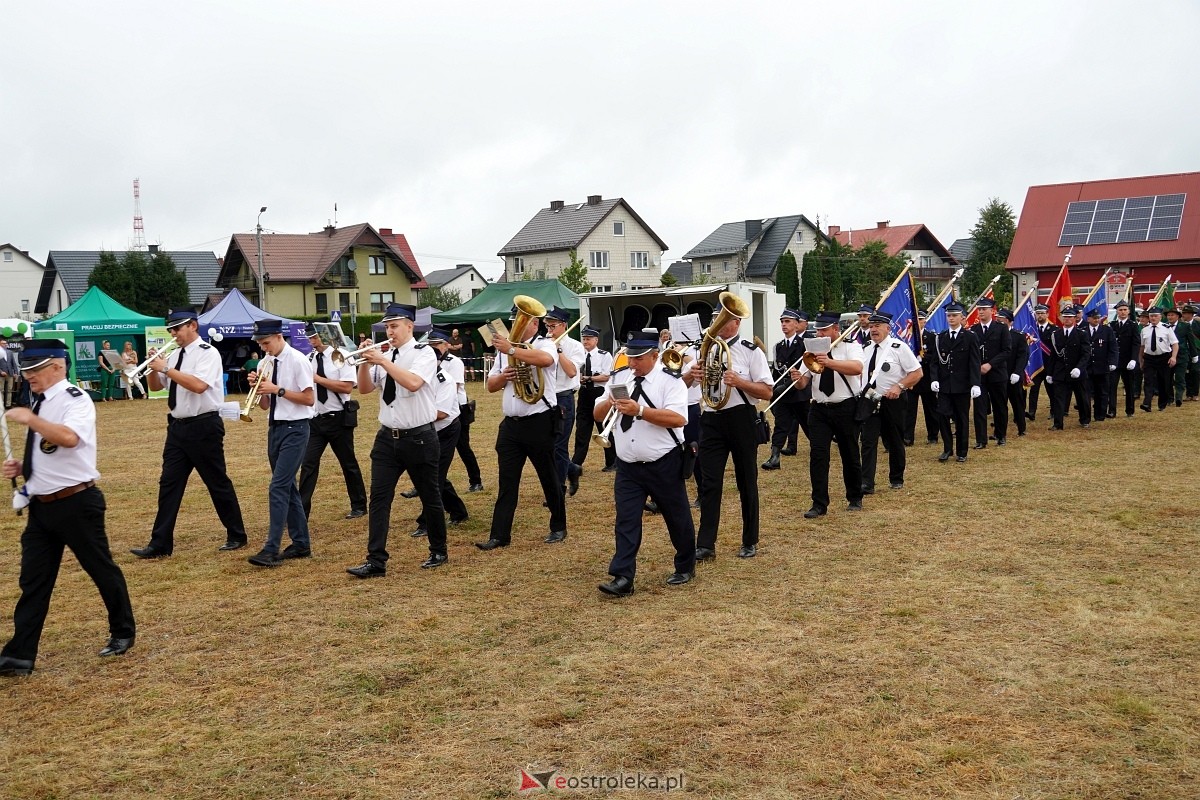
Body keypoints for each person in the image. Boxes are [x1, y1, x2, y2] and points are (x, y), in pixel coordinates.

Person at [0, 339, 136, 677]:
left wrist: (31, 420)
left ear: (58, 366)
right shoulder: (42, 402)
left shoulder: (76, 399)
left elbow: (70, 438)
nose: (27, 375)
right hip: (42, 507)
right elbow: (49, 450)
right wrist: (25, 468)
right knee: (33, 581)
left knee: (100, 569)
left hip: (77, 503)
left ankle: (122, 631)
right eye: (26, 369)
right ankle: (19, 655)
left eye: (34, 369)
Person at [132, 308, 248, 558]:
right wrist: (154, 367)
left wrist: (165, 369)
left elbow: (198, 386)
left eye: (177, 328)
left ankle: (237, 534)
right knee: (168, 484)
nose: (173, 334)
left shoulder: (208, 353)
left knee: (216, 482)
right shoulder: (173, 357)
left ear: (193, 326)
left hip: (204, 426)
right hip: (177, 427)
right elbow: (155, 387)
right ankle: (160, 543)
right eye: (170, 330)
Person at [345, 304, 446, 576]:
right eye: (387, 327)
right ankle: (376, 561)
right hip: (387, 438)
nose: (390, 332)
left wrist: (383, 361)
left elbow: (413, 383)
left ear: (410, 326)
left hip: (419, 437)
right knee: (378, 499)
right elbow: (365, 389)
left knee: (430, 495)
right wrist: (366, 363)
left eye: (395, 326)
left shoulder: (424, 353)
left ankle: (438, 550)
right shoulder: (385, 356)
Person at [595, 330, 696, 596]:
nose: (633, 363)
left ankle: (685, 564)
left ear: (655, 355)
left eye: (639, 357)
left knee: (677, 517)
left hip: (663, 461)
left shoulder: (670, 381)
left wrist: (639, 410)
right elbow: (596, 412)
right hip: (627, 464)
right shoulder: (619, 377)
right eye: (630, 356)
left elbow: (678, 419)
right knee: (626, 520)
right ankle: (622, 576)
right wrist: (608, 403)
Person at [475, 305, 566, 551]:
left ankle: (558, 526)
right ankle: (499, 535)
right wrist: (505, 375)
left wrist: (513, 349)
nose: (515, 326)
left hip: (539, 420)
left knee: (548, 476)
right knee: (507, 481)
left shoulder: (545, 343)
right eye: (514, 321)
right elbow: (491, 385)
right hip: (511, 426)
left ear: (535, 324)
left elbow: (546, 360)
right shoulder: (505, 350)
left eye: (522, 321)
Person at [688, 304, 772, 558]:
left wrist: (740, 382)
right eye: (714, 319)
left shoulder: (750, 350)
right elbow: (685, 383)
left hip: (740, 418)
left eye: (722, 319)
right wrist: (693, 375)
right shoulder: (706, 348)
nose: (716, 325)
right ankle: (705, 544)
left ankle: (750, 539)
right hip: (712, 418)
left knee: (746, 480)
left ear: (736, 322)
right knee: (710, 483)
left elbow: (767, 391)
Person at [243, 318, 316, 567]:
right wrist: (258, 388)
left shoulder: (298, 360)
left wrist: (277, 390)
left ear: (278, 336)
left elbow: (309, 399)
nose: (263, 348)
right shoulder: (266, 361)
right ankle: (301, 543)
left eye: (266, 343)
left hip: (296, 428)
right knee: (288, 488)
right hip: (275, 428)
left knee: (278, 487)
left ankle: (271, 548)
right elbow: (265, 405)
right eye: (260, 344)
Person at [790, 311, 866, 516]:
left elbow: (857, 368)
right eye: (818, 330)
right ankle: (819, 503)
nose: (820, 333)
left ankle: (855, 496)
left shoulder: (851, 346)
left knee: (849, 453)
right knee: (818, 456)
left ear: (835, 329)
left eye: (824, 329)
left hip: (845, 406)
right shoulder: (811, 350)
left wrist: (829, 362)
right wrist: (797, 378)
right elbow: (804, 382)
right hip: (819, 408)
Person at [296, 323, 367, 522]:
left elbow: (346, 387)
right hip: (315, 420)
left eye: (314, 337)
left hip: (338, 419)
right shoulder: (309, 358)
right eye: (309, 338)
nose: (311, 342)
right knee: (308, 465)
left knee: (348, 463)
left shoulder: (341, 356)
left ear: (324, 336)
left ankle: (359, 505)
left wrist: (318, 379)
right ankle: (302, 511)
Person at [411, 328, 469, 537]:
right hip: (426, 430)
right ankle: (458, 511)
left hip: (446, 429)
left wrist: (413, 417)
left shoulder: (445, 378)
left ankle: (426, 522)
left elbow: (442, 413)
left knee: (434, 477)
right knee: (433, 475)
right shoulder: (417, 375)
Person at [858, 311, 922, 493]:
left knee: (894, 440)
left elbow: (917, 373)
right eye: (871, 326)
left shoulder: (899, 347)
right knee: (868, 441)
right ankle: (866, 482)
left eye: (877, 326)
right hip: (870, 399)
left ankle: (896, 477)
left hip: (892, 400)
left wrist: (900, 386)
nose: (873, 329)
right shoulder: (867, 348)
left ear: (888, 328)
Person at [928, 303, 981, 463]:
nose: (951, 318)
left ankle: (962, 451)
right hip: (945, 385)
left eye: (954, 316)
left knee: (961, 418)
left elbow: (974, 362)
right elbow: (935, 362)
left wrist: (975, 383)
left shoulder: (970, 337)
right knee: (943, 416)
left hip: (962, 385)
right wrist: (934, 378)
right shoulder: (940, 337)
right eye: (949, 316)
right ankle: (947, 448)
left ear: (961, 318)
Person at [544, 306, 585, 497]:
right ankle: (571, 469)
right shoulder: (542, 343)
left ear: (564, 325)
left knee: (559, 445)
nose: (549, 330)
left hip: (563, 398)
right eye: (547, 326)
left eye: (553, 326)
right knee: (546, 444)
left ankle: (557, 490)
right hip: (544, 398)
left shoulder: (575, 346)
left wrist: (557, 349)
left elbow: (571, 371)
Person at [762, 309, 807, 471]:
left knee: (809, 426)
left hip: (801, 394)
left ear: (797, 324)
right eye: (782, 322)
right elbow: (776, 372)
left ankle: (820, 451)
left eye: (787, 321)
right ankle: (775, 457)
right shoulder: (779, 347)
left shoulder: (804, 345)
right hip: (784, 393)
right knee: (781, 425)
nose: (784, 325)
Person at [571, 326, 614, 474]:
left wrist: (589, 378)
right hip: (584, 393)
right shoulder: (578, 355)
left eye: (588, 339)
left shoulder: (604, 355)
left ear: (596, 340)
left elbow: (607, 376)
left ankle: (612, 461)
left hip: (598, 392)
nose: (585, 341)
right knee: (582, 429)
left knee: (604, 428)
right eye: (584, 339)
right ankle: (576, 463)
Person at [969, 298, 1011, 448]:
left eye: (984, 309)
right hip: (979, 375)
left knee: (999, 406)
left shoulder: (1001, 328)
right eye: (979, 309)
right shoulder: (973, 330)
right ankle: (981, 439)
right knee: (979, 408)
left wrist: (990, 364)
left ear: (991, 311)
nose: (980, 312)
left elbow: (1006, 351)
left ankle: (1001, 435)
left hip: (997, 374)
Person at [1045, 306, 1091, 429]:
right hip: (1060, 371)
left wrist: (1079, 368)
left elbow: (1086, 353)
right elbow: (1053, 355)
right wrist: (1049, 373)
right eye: (1065, 317)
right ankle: (1058, 423)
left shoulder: (1082, 334)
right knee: (1058, 398)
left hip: (1077, 371)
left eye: (1070, 317)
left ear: (1075, 318)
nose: (1067, 319)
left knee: (1081, 397)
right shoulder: (1056, 334)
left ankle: (1084, 419)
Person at [909, 311, 940, 445]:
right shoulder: (908, 336)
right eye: (916, 319)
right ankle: (908, 437)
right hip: (911, 378)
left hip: (927, 377)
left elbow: (935, 356)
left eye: (920, 319)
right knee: (909, 409)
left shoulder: (931, 337)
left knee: (931, 408)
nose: (918, 322)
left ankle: (933, 435)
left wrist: (922, 358)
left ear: (925, 321)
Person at [1139, 306, 1179, 412]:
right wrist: (1141, 360)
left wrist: (1173, 357)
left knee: (1163, 381)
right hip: (1149, 358)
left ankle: (1162, 404)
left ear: (1160, 317)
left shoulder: (1167, 328)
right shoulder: (1144, 330)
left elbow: (1175, 344)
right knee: (1148, 380)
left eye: (1155, 316)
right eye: (1151, 316)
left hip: (1163, 357)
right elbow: (1142, 347)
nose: (1153, 318)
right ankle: (1147, 403)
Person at [998, 308, 1028, 437]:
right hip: (999, 375)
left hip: (1013, 375)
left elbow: (1023, 356)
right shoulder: (996, 335)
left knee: (1017, 403)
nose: (998, 321)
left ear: (1009, 321)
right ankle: (999, 431)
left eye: (1001, 319)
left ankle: (1021, 428)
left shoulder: (1018, 336)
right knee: (999, 405)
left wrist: (1017, 372)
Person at [1108, 300, 1141, 418]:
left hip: (1128, 361)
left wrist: (1133, 359)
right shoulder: (1111, 325)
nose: (1122, 312)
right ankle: (1111, 411)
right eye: (1120, 310)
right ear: (1117, 311)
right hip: (1115, 361)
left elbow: (1136, 343)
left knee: (1129, 387)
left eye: (1125, 310)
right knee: (1112, 387)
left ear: (1128, 311)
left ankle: (1130, 410)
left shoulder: (1133, 325)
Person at [1084, 307, 1117, 422]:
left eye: (1098, 318)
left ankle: (1100, 415)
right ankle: (1086, 416)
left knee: (1102, 392)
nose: (1096, 320)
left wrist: (1113, 362)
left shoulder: (1107, 331)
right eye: (1094, 318)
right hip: (1086, 368)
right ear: (1088, 319)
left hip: (1102, 366)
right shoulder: (1082, 330)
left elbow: (1113, 348)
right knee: (1086, 393)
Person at [1025, 304, 1057, 422]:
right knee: (1034, 390)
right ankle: (1032, 412)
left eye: (1042, 313)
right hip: (1036, 365)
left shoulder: (1054, 329)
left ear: (1047, 314)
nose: (1040, 315)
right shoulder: (1031, 330)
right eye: (1038, 313)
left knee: (1051, 390)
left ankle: (1054, 411)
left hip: (1049, 365)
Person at [1164, 307, 1192, 407]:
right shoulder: (1164, 326)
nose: (1170, 317)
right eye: (1168, 315)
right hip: (1167, 356)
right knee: (1168, 378)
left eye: (1172, 315)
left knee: (1180, 378)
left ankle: (1179, 398)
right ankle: (1169, 398)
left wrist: (1194, 355)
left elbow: (1191, 341)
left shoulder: (1185, 326)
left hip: (1182, 356)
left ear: (1177, 316)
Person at [1179, 305, 1200, 401]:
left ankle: (1195, 393)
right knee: (1186, 372)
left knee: (1195, 371)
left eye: (1186, 313)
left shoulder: (1197, 324)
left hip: (1197, 350)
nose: (1184, 315)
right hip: (1185, 351)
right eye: (1183, 313)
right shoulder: (1181, 325)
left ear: (1191, 314)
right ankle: (1188, 394)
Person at [0, 335, 16, 409]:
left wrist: (15, 372)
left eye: (6, 343)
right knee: (1, 390)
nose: (5, 345)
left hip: (10, 373)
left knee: (9, 390)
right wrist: (1, 371)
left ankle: (8, 404)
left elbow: (13, 363)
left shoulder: (10, 352)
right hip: (1, 374)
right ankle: (1, 405)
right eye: (3, 343)